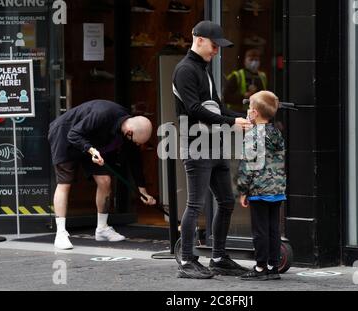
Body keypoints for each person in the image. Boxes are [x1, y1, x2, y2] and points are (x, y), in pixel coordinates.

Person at [172, 20, 252, 279]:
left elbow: (216, 106)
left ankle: (218, 258)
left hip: (213, 144)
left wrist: (244, 117)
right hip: (196, 145)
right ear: (198, 39)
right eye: (214, 45)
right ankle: (187, 262)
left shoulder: (204, 69)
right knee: (195, 204)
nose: (217, 50)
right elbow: (195, 109)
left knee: (226, 202)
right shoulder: (185, 70)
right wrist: (231, 122)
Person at [48, 99, 156, 250]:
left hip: (89, 142)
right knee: (64, 183)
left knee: (105, 181)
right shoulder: (103, 114)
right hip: (65, 135)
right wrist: (91, 150)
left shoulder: (126, 125)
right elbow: (73, 134)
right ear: (129, 132)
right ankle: (60, 234)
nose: (137, 145)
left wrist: (142, 190)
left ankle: (102, 228)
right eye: (137, 142)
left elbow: (134, 159)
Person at [237, 91, 286, 281]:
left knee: (260, 231)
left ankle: (260, 267)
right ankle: (274, 267)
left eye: (249, 108)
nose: (248, 111)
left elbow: (248, 166)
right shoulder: (277, 133)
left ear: (255, 113)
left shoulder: (252, 136)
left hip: (259, 190)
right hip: (277, 190)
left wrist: (243, 191)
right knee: (274, 230)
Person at [223, 48, 267, 113]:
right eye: (251, 59)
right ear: (245, 61)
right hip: (238, 114)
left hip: (257, 114)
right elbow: (226, 97)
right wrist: (244, 96)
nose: (254, 62)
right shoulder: (237, 76)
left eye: (256, 60)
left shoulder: (262, 76)